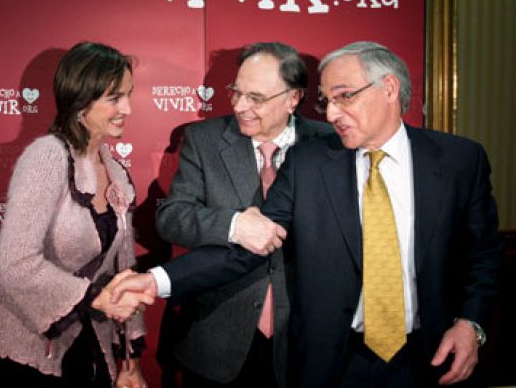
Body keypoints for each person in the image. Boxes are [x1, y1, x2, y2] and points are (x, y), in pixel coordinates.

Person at [110, 42, 502, 388]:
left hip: (430, 357)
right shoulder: (310, 163)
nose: (332, 113)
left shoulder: (459, 160)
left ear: (389, 88)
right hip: (334, 362)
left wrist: (472, 324)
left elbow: (483, 256)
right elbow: (249, 248)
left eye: (344, 96)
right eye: (327, 101)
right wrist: (155, 282)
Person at [153, 42, 332, 388]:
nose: (240, 106)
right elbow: (172, 216)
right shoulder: (203, 140)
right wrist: (234, 226)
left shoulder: (328, 145)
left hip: (304, 341)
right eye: (237, 92)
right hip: (218, 343)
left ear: (293, 98)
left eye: (257, 98)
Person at [0, 42, 153, 388]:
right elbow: (14, 265)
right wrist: (94, 297)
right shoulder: (46, 157)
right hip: (25, 348)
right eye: (115, 98)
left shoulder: (115, 170)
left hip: (89, 345)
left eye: (128, 95)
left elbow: (124, 269)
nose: (128, 108)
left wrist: (130, 360)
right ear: (80, 99)